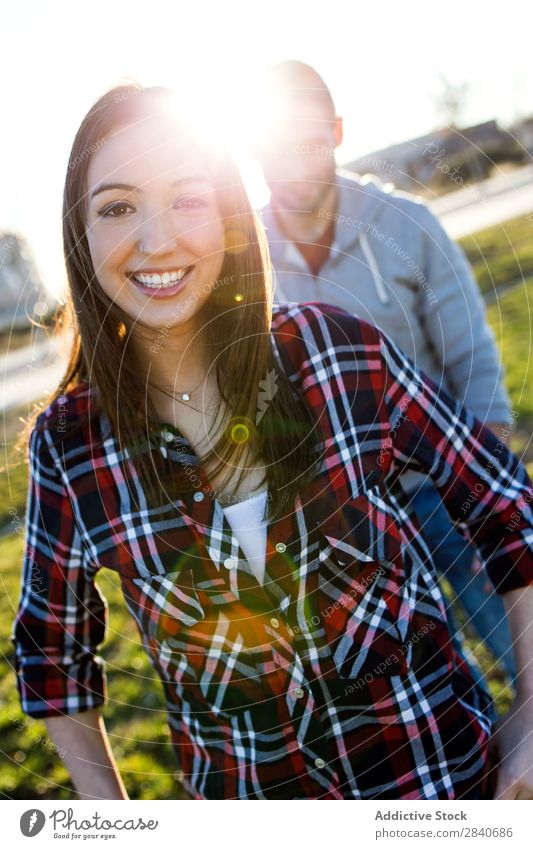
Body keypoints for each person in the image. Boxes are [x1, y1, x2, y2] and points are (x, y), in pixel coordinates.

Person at [11, 84, 533, 801]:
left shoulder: (335, 351)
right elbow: (52, 654)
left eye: (188, 199)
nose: (156, 239)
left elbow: (507, 506)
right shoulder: (68, 447)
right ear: (82, 232)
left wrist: (529, 711)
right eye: (118, 206)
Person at [252, 60, 517, 684]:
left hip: (438, 485)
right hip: (337, 522)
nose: (292, 163)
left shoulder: (408, 226)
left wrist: (483, 500)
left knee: (514, 639)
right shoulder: (243, 260)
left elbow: (472, 362)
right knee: (428, 691)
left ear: (337, 132)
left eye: (308, 141)